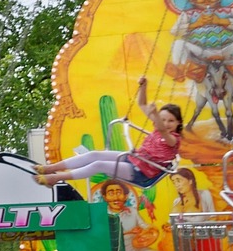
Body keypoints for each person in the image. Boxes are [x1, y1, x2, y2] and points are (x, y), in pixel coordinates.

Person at [37, 77, 182, 185]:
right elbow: (142, 104)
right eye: (163, 119)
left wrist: (156, 115)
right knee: (94, 154)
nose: (166, 123)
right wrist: (143, 87)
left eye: (171, 121)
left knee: (98, 165)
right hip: (134, 158)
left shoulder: (174, 140)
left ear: (178, 123)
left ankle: (55, 178)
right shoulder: (158, 128)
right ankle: (50, 168)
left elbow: (163, 131)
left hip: (141, 172)